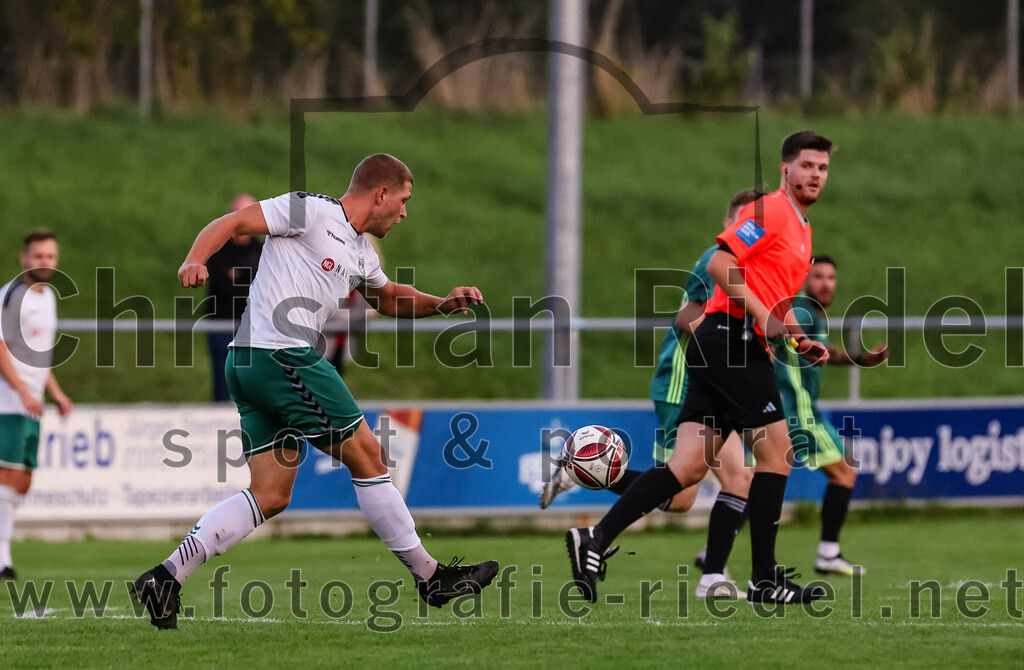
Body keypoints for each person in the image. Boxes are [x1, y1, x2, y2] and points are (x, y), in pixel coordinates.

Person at [131, 154, 498, 629]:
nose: (405, 212)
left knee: (271, 493)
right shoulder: (311, 210)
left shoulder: (361, 250)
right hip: (280, 354)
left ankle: (166, 576)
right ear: (381, 193)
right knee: (368, 455)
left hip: (248, 361)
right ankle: (431, 577)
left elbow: (387, 298)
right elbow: (234, 221)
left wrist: (442, 304)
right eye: (404, 200)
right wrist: (195, 258)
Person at [566, 131, 834, 605]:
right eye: (807, 165)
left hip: (729, 345)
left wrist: (798, 336)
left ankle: (596, 539)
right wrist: (760, 315)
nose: (815, 174)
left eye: (822, 168)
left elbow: (777, 300)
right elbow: (719, 263)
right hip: (729, 342)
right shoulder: (767, 211)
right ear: (785, 169)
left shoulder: (803, 228)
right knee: (778, 454)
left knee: (687, 469)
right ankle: (765, 579)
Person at [541, 189, 763, 599]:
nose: (754, 231)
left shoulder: (750, 266)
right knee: (711, 485)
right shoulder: (716, 259)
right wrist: (719, 361)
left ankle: (712, 574)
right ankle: (711, 576)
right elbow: (687, 313)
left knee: (701, 491)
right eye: (746, 223)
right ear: (732, 223)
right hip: (686, 384)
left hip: (712, 385)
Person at [773, 255, 887, 575]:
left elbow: (822, 352)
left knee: (759, 480)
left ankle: (713, 553)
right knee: (844, 472)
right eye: (818, 276)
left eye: (831, 277)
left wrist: (859, 360)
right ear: (805, 279)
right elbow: (785, 333)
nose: (826, 283)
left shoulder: (815, 315)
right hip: (799, 409)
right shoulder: (800, 309)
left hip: (795, 408)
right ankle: (828, 553)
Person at [0, 230, 73, 580]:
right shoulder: (13, 294)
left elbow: (37, 355)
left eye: (51, 257)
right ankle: (2, 559)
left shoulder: (47, 297)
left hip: (31, 401)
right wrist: (22, 392)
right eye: (39, 256)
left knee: (23, 480)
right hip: (8, 401)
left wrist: (53, 391)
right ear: (24, 258)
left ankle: (3, 554)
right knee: (8, 475)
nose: (45, 263)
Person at [205, 194, 262, 402]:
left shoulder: (263, 250)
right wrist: (250, 280)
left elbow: (264, 286)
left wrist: (239, 276)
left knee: (255, 381)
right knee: (224, 379)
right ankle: (220, 425)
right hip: (222, 325)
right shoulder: (217, 247)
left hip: (255, 327)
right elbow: (224, 283)